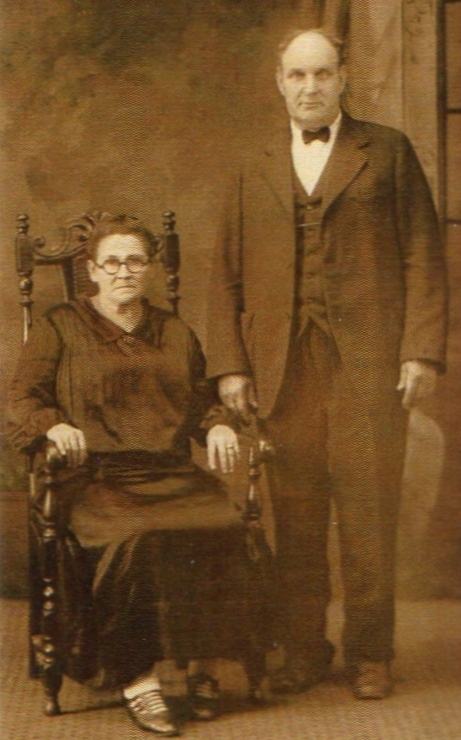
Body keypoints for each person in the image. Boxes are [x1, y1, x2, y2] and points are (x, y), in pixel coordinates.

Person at [206, 28, 448, 700]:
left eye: (321, 74)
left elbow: (423, 257)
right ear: (278, 81)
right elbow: (222, 272)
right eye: (295, 75)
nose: (308, 88)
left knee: (368, 514)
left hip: (369, 364)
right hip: (282, 367)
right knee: (299, 515)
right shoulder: (249, 160)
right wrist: (231, 366)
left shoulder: (388, 153)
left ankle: (371, 653)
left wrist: (420, 350)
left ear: (343, 78)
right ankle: (303, 648)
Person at [7, 213, 271, 736]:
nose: (124, 271)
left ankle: (202, 666)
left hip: (170, 471)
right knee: (134, 536)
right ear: (93, 271)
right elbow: (21, 399)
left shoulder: (175, 331)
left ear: (149, 270)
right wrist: (53, 425)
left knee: (221, 521)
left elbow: (201, 400)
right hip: (96, 477)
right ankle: (138, 678)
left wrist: (218, 425)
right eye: (113, 262)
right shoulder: (59, 326)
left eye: (135, 261)